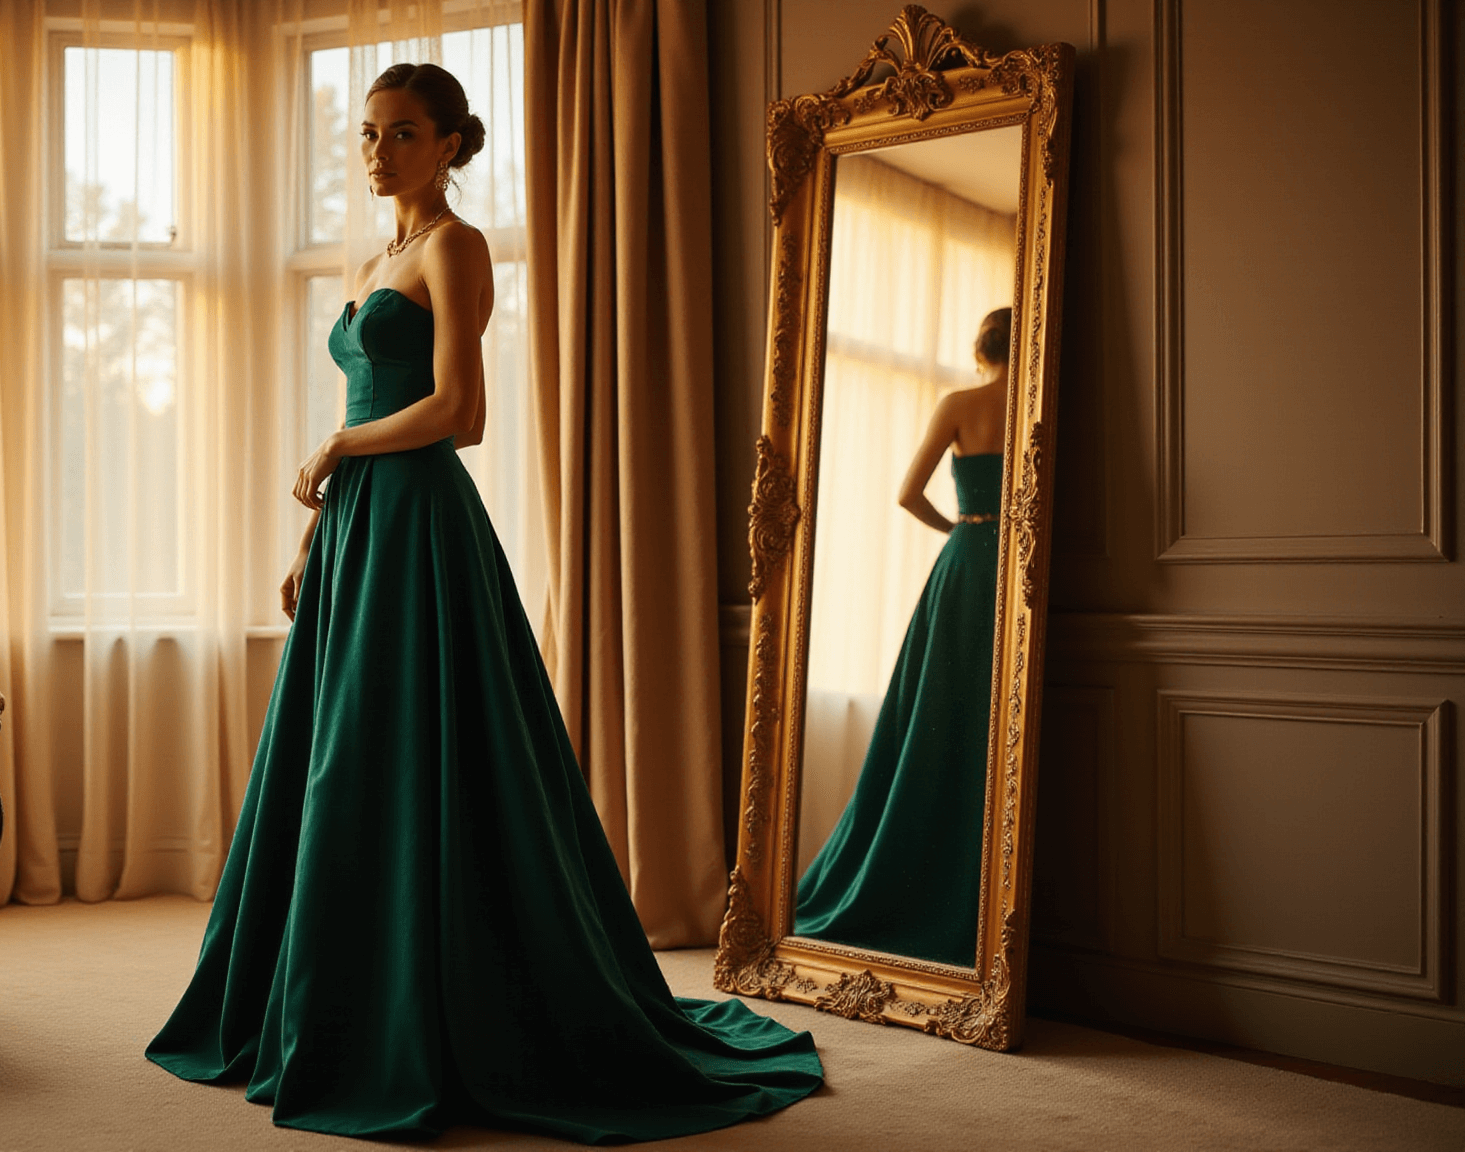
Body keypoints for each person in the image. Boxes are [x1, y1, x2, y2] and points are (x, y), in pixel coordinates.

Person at [145, 62, 823, 1143]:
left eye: (402, 134)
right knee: (341, 759)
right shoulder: (381, 255)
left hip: (417, 523)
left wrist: (332, 450)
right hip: (361, 522)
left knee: (414, 754)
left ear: (450, 142)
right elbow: (371, 393)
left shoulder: (455, 246)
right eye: (367, 134)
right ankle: (331, 997)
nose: (377, 152)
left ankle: (433, 1009)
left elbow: (459, 412)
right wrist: (315, 530)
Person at [791, 307, 1012, 968]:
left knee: (937, 710)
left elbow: (907, 494)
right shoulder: (1037, 404)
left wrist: (963, 531)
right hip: (1025, 569)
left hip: (969, 561)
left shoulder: (960, 402)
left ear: (980, 350)